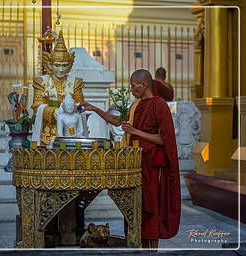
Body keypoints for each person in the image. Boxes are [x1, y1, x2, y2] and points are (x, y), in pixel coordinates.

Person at [79, 69, 181, 249]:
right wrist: (94, 109)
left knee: (151, 207)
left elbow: (164, 140)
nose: (131, 90)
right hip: (135, 163)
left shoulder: (159, 105)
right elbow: (118, 122)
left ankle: (153, 249)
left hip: (152, 165)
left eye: (134, 86)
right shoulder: (136, 105)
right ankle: (138, 246)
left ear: (144, 85)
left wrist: (136, 132)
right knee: (135, 207)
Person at [31, 30, 84, 145]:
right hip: (47, 131)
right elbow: (37, 105)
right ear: (50, 64)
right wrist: (53, 110)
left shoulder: (75, 82)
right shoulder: (41, 82)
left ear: (69, 65)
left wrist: (72, 111)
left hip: (70, 129)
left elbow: (81, 106)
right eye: (57, 65)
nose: (61, 69)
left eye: (65, 66)